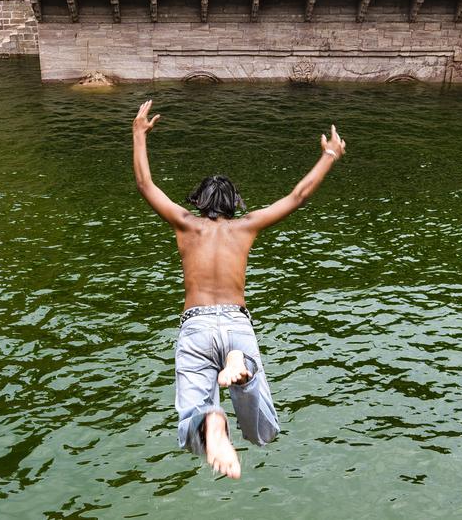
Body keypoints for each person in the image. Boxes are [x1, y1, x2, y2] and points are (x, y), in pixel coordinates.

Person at [131, 100, 346, 479]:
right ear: (233, 204)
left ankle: (211, 420)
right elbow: (299, 195)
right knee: (263, 432)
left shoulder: (186, 225)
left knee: (191, 418)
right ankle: (240, 370)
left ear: (199, 203)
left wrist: (138, 133)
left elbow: (145, 184)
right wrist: (329, 154)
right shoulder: (246, 227)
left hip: (196, 326)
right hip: (236, 324)